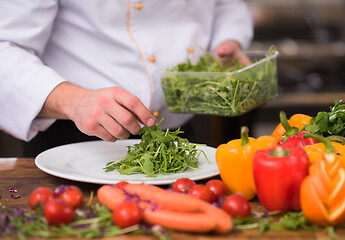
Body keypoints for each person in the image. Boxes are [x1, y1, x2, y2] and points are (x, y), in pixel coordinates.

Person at [0, 0, 253, 156]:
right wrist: (74, 100)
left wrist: (227, 40)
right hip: (76, 142)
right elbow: (5, 46)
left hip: (181, 136)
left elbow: (225, 4)